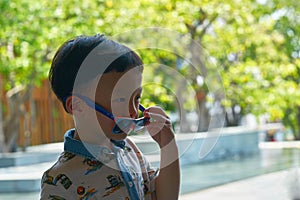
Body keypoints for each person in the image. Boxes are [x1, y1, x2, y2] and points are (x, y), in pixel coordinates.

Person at [40, 34, 180, 200]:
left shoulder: (129, 150)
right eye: (119, 99)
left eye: (136, 98)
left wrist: (168, 146)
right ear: (77, 106)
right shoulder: (59, 180)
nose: (133, 112)